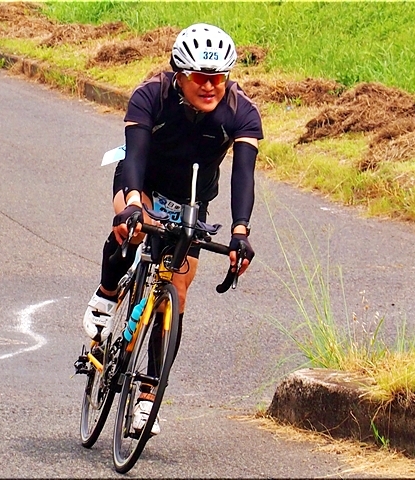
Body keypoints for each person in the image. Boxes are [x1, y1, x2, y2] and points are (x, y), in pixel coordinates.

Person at [82, 23, 263, 435]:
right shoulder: (152, 95)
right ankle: (106, 294)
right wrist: (132, 205)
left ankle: (148, 395)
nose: (210, 86)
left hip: (191, 200)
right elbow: (134, 154)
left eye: (219, 77)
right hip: (143, 183)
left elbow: (244, 175)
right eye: (200, 76)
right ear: (180, 74)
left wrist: (240, 231)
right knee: (133, 229)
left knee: (176, 293)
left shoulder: (242, 112)